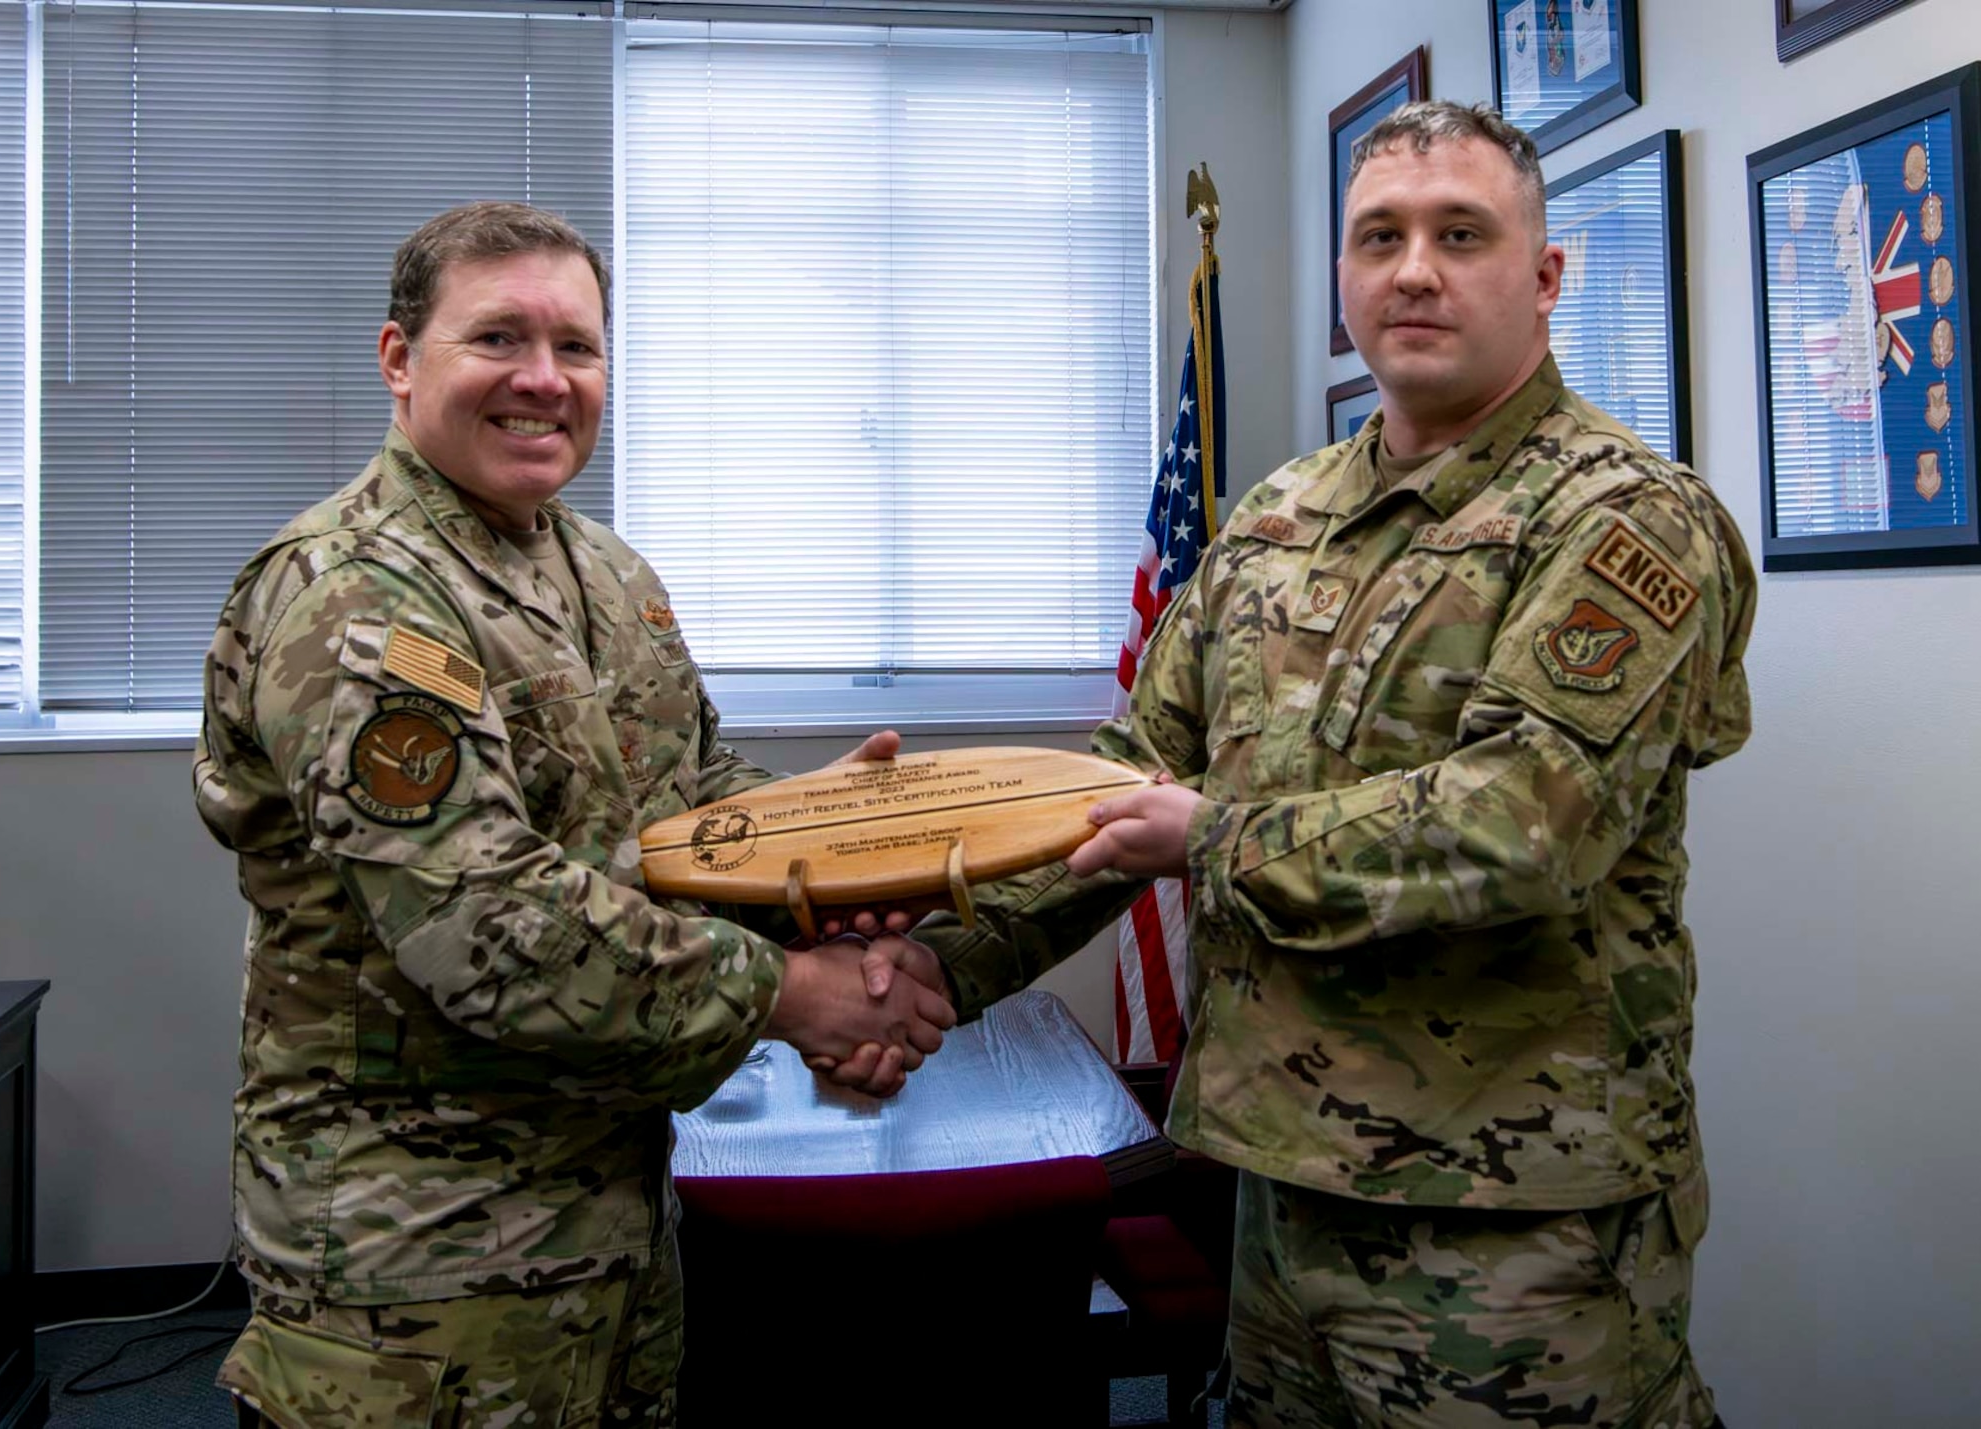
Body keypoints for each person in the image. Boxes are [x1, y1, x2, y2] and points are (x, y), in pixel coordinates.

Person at [911, 101, 1754, 1428]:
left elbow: (1528, 823)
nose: (1413, 268)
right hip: (1279, 1185)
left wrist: (1215, 838)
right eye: (1380, 237)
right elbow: (1129, 784)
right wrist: (928, 968)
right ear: (1344, 277)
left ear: (1543, 277)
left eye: (1459, 233)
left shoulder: (1621, 516)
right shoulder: (1276, 519)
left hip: (1505, 1221)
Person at [193, 201, 951, 1427]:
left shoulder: (604, 572)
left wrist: (833, 849)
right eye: (497, 338)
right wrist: (800, 995)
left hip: (609, 1222)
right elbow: (487, 924)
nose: (543, 381)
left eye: (578, 347)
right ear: (399, 359)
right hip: (419, 1274)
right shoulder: (354, 597)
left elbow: (694, 794)